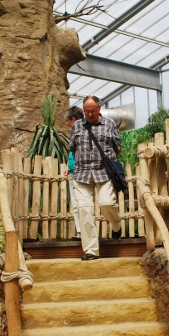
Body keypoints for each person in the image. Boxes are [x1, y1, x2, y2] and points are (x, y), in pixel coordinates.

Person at [69, 95, 122, 261]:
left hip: (103, 172)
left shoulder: (110, 124)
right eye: (86, 111)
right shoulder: (77, 126)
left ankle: (116, 225)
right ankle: (91, 250)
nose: (89, 114)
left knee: (107, 203)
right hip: (82, 173)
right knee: (84, 210)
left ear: (99, 108)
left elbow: (117, 148)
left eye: (92, 110)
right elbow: (73, 148)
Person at [65, 106, 83, 240]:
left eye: (68, 120)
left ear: (73, 119)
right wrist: (68, 165)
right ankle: (80, 232)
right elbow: (72, 151)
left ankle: (84, 232)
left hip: (80, 172)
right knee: (76, 204)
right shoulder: (73, 132)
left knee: (82, 203)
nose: (67, 123)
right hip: (72, 170)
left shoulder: (81, 130)